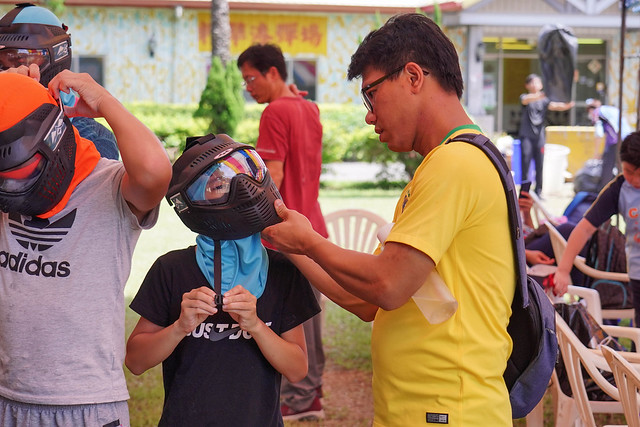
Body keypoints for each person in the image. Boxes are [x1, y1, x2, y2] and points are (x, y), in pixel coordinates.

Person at [263, 13, 514, 425]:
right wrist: (288, 243)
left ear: (413, 76)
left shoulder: (455, 163)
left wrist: (309, 242)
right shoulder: (444, 163)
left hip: (448, 410)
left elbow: (388, 283)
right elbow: (365, 300)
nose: (369, 114)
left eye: (371, 94)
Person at [0, 71, 171, 426]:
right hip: (7, 395)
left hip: (87, 401)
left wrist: (104, 102)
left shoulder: (107, 185)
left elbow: (155, 172)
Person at [125, 133, 320, 426]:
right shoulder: (172, 269)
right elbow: (136, 361)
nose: (241, 187)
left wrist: (256, 326)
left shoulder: (282, 271)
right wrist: (180, 326)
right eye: (219, 184)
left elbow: (297, 369)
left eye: (244, 174)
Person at [237, 43, 328, 421]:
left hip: (285, 232)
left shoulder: (275, 111)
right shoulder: (309, 107)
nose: (249, 87)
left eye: (252, 78)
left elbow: (270, 176)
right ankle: (310, 392)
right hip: (313, 226)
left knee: (290, 316)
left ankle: (302, 395)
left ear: (273, 72)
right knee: (309, 313)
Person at [0, 2, 119, 160]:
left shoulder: (91, 137)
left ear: (58, 55)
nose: (19, 69)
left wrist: (106, 103)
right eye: (7, 60)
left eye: (27, 57)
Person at [554, 131, 640, 327]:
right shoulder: (618, 190)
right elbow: (584, 229)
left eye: (639, 174)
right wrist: (563, 269)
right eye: (628, 171)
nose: (634, 180)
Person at [518, 73, 574, 196]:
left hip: (539, 138)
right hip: (526, 136)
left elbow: (556, 106)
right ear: (527, 85)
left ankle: (539, 191)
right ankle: (524, 193)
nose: (535, 84)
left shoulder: (544, 100)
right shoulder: (525, 97)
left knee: (540, 165)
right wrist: (543, 94)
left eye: (537, 82)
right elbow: (526, 100)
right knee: (525, 165)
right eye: (532, 82)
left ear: (541, 85)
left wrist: (567, 105)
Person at [585, 98, 632, 191]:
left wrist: (596, 153)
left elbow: (599, 133)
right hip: (627, 138)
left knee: (607, 165)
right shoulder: (610, 110)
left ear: (590, 109)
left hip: (615, 141)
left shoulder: (597, 112)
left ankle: (603, 190)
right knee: (621, 165)